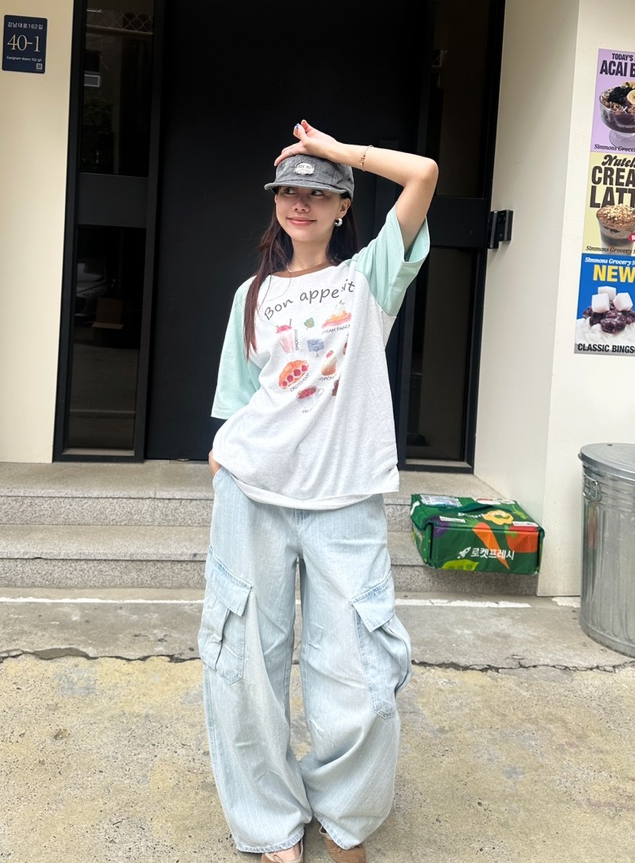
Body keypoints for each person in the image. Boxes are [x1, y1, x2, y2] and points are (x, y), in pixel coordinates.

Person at [199, 120, 437, 863]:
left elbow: (423, 174)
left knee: (360, 674)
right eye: (288, 192)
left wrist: (335, 153)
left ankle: (343, 815)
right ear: (275, 203)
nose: (299, 203)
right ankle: (270, 822)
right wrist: (223, 458)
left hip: (345, 503)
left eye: (318, 193)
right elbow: (239, 399)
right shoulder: (252, 295)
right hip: (253, 498)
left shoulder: (368, 278)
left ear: (341, 208)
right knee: (244, 667)